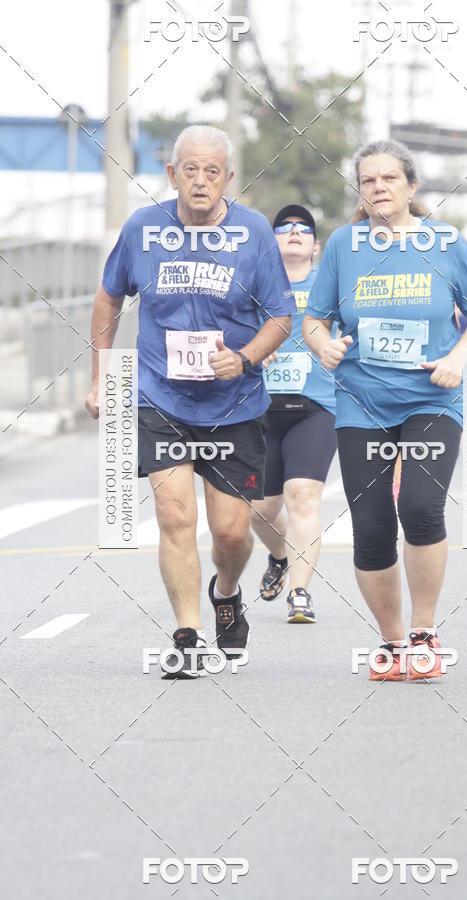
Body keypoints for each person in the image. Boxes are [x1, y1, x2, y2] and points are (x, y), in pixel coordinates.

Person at [85, 125, 294, 678]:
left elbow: (281, 317)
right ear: (172, 175)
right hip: (161, 398)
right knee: (174, 515)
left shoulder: (252, 233)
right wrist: (102, 376)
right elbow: (109, 297)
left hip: (235, 404)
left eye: (212, 171)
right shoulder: (143, 228)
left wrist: (245, 358)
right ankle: (189, 633)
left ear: (227, 178)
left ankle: (226, 593)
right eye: (190, 170)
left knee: (229, 532)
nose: (200, 181)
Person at [303, 139, 467, 681]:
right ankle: (390, 642)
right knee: (370, 525)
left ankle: (424, 633)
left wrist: (459, 356)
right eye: (368, 181)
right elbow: (313, 319)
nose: (379, 188)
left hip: (432, 396)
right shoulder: (344, 244)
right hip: (362, 400)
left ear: (411, 187)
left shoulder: (445, 242)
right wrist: (324, 346)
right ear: (360, 192)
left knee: (420, 507)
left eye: (389, 179)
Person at [250, 205, 337, 623]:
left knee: (303, 495)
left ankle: (300, 592)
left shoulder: (331, 283)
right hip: (259, 409)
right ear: (272, 241)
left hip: (315, 408)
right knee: (258, 509)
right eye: (284, 227)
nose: (295, 232)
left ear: (316, 245)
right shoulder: (253, 281)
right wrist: (252, 350)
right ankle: (280, 556)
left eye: (304, 228)